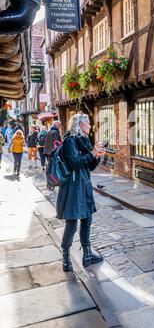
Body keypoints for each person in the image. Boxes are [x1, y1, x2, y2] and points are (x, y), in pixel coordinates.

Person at [56, 114, 106, 272]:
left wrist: (96, 156)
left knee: (87, 220)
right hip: (72, 187)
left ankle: (87, 255)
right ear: (80, 125)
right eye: (88, 123)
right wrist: (92, 153)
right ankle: (65, 257)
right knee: (71, 224)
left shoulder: (84, 141)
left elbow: (89, 166)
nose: (90, 126)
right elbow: (74, 163)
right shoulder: (70, 140)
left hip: (84, 185)